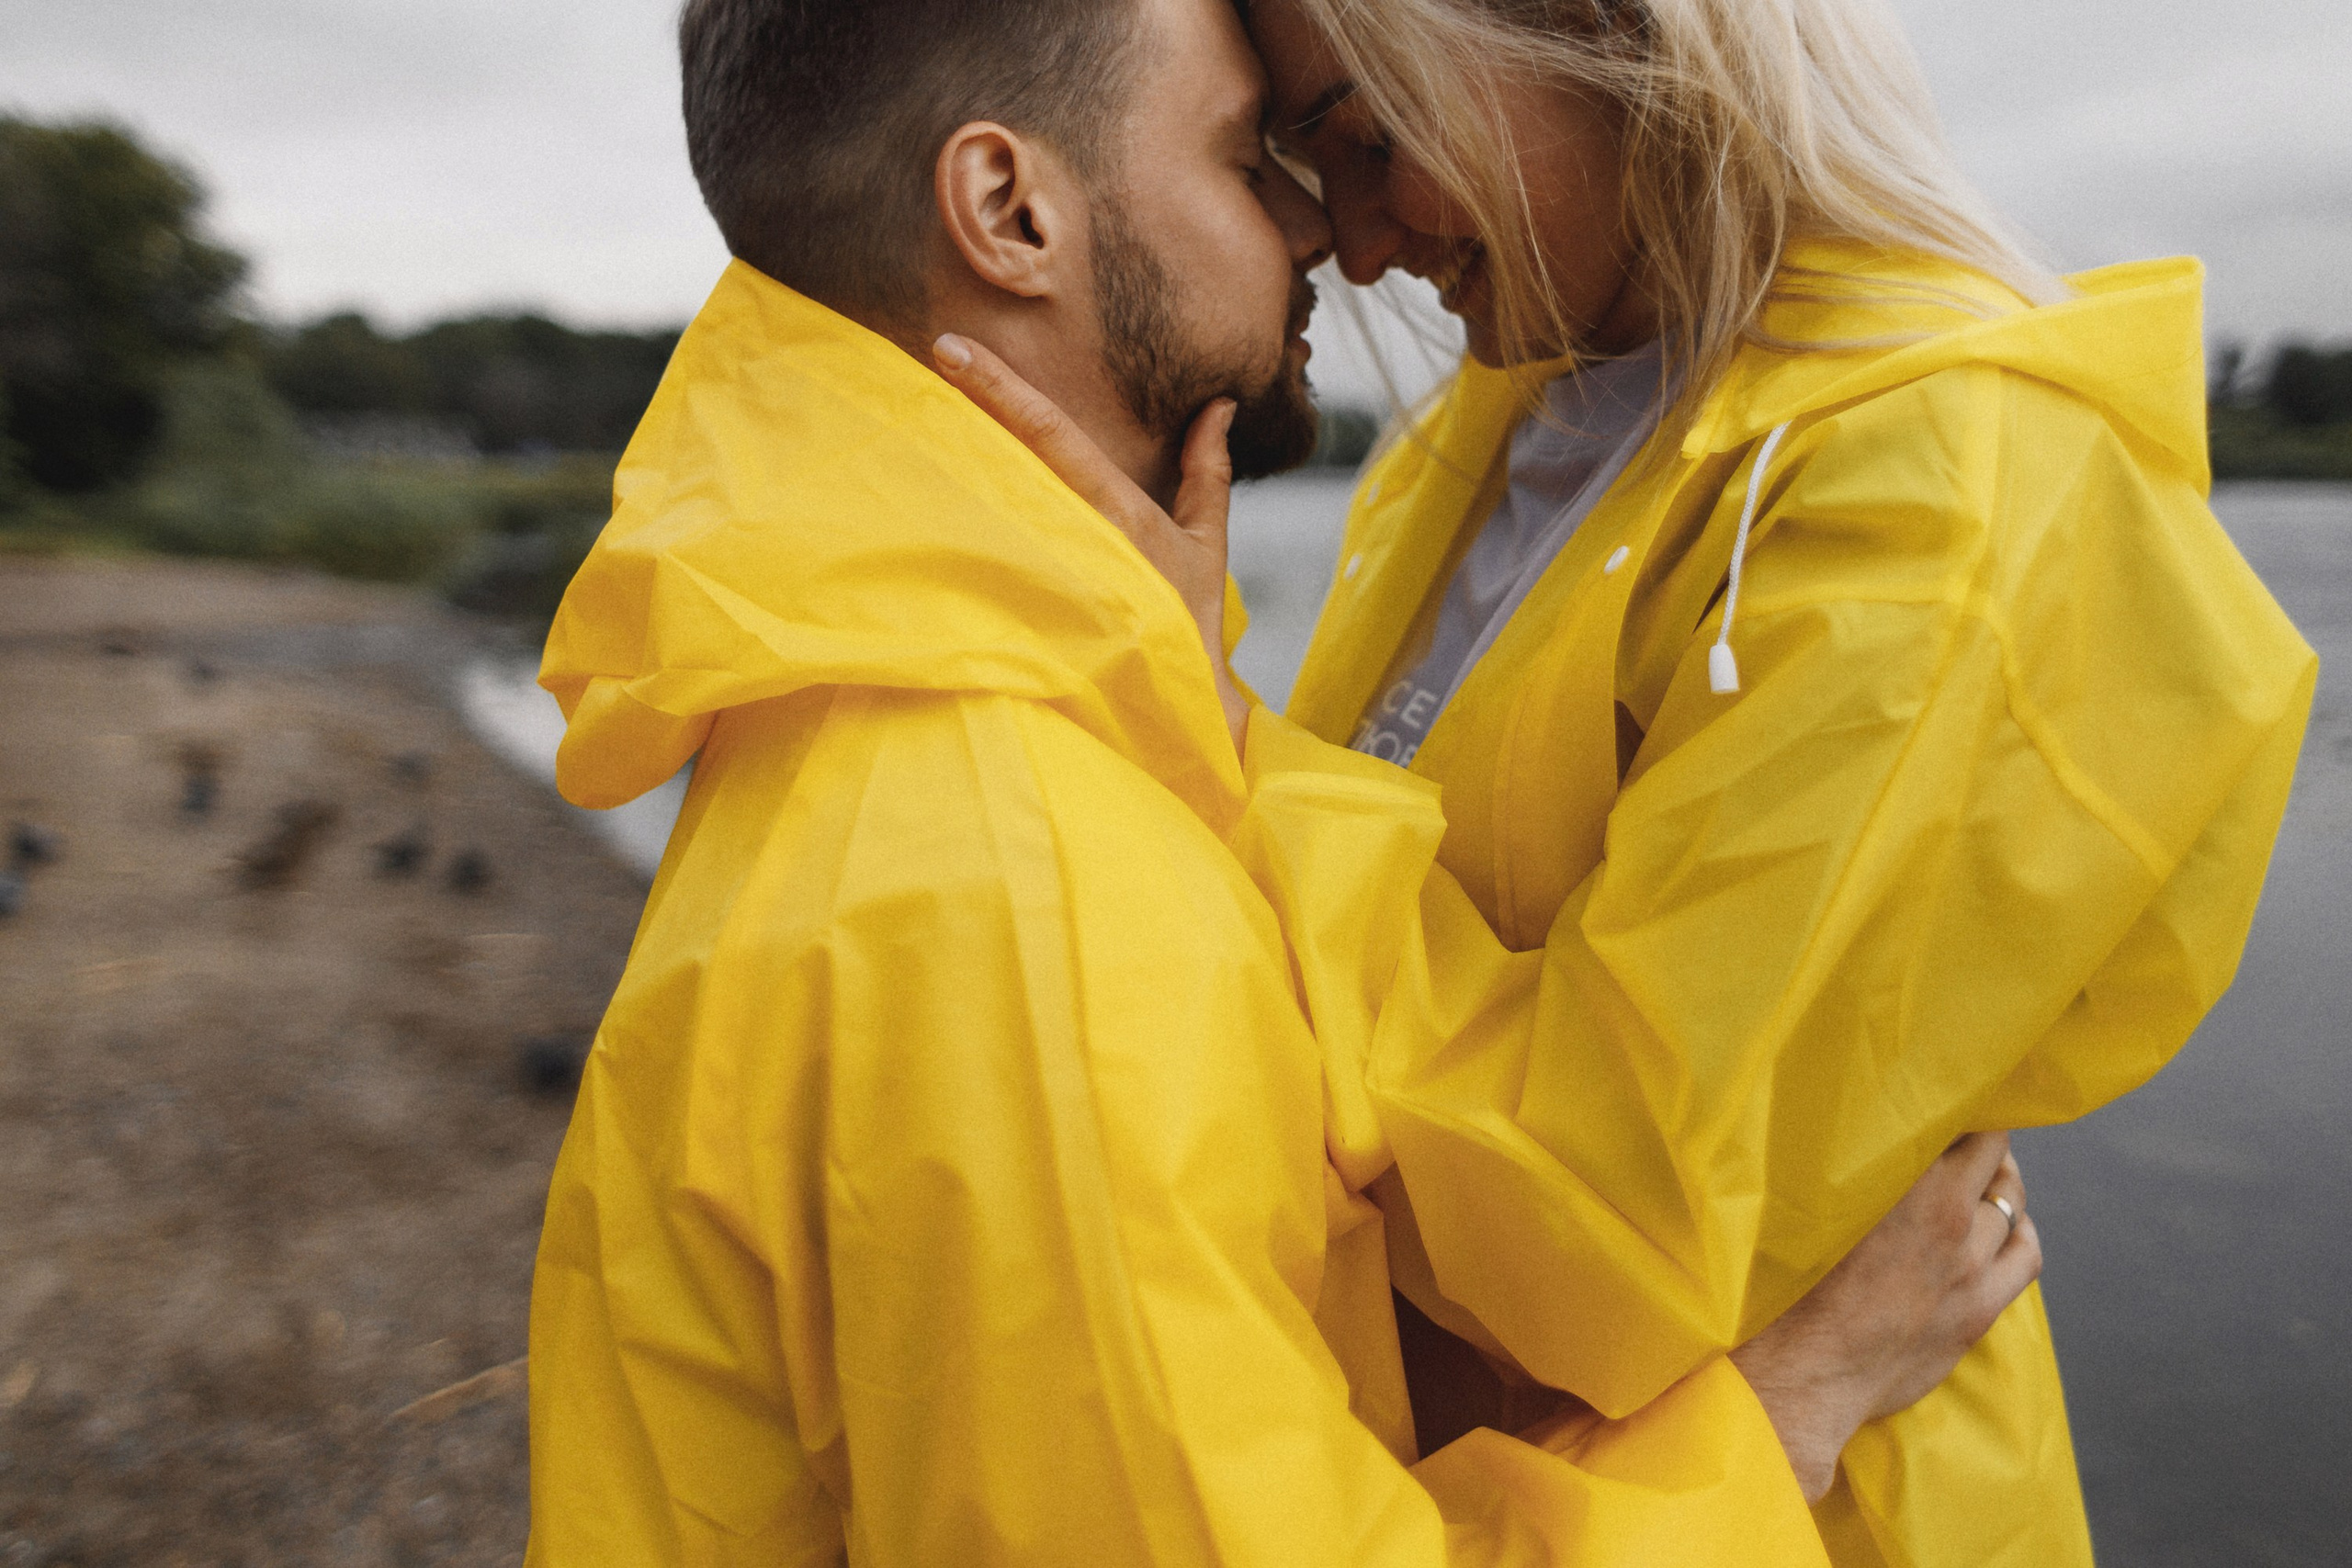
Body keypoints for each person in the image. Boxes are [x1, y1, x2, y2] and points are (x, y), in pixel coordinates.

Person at [524, 0, 2044, 1562]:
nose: (1325, 229)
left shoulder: (848, 707)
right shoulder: (1021, 892)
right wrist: (1778, 1421)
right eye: (1248, 156)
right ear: (1010, 211)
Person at [934, 0, 2316, 1562]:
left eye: (1373, 138)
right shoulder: (1513, 416)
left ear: (1608, 32)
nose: (1353, 244)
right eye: (1302, 165)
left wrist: (1218, 731)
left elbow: (1606, 1231)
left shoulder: (1942, 485)